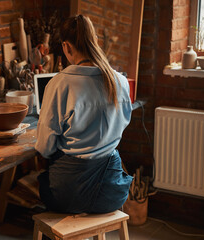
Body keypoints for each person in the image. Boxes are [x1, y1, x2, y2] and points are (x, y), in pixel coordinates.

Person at [35, 14, 133, 214]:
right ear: (95, 42)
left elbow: (45, 148)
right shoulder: (120, 81)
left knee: (43, 182)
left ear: (66, 47)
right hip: (112, 193)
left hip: (69, 195)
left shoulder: (59, 84)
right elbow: (122, 124)